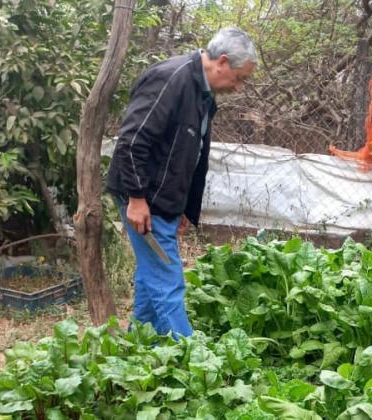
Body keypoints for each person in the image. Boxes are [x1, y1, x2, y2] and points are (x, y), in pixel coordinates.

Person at [105, 27, 257, 339]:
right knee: (168, 280)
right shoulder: (172, 79)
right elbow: (132, 140)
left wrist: (185, 207)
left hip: (164, 203)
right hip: (146, 200)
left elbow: (190, 154)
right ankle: (193, 366)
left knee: (152, 281)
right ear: (222, 62)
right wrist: (136, 198)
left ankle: (137, 346)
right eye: (239, 78)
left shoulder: (202, 94)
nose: (239, 88)